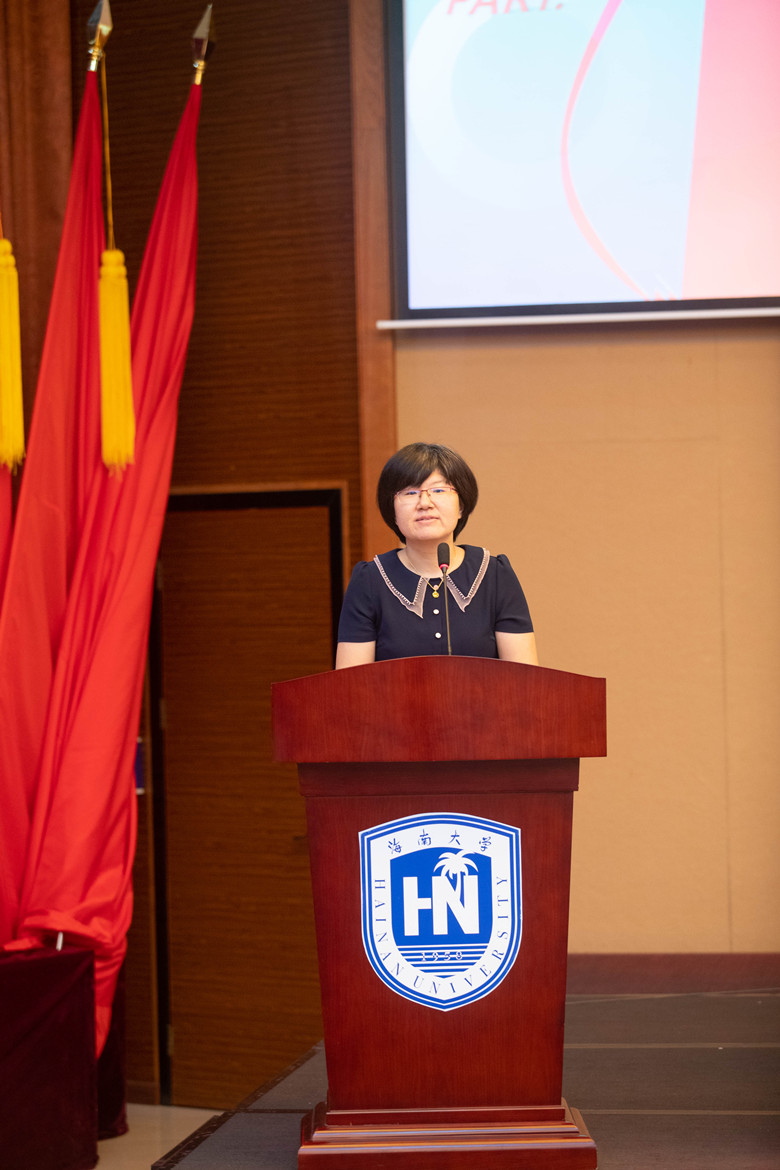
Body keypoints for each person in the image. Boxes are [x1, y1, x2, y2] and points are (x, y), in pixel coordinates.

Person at [335, 442, 538, 668]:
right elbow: (351, 683)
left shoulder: (495, 575)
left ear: (461, 506)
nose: (425, 503)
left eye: (439, 490)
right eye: (410, 492)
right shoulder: (370, 580)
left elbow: (525, 680)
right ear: (392, 510)